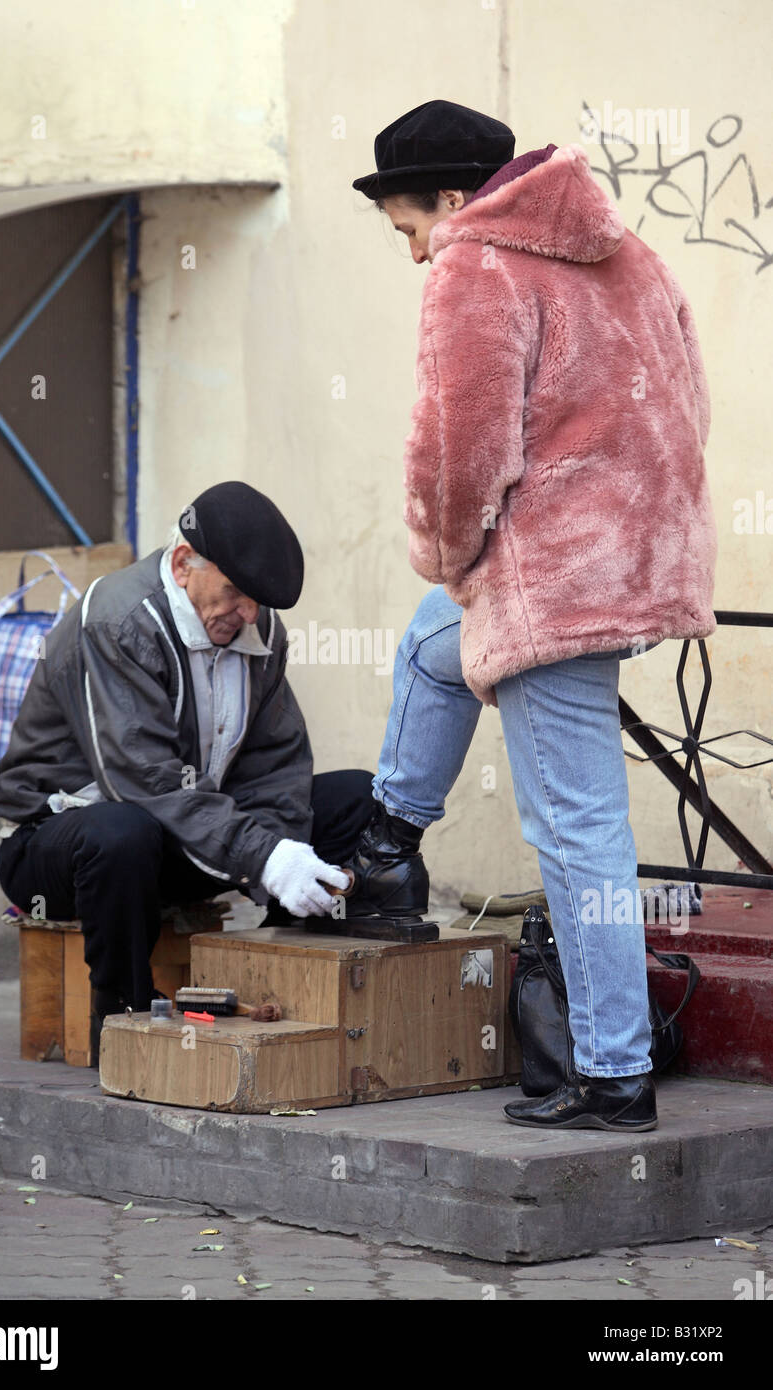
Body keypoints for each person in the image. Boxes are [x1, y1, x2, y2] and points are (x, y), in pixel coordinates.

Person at [346, 100, 718, 1131]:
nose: (417, 254)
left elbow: (456, 458)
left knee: (576, 829)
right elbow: (687, 399)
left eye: (410, 226)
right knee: (433, 644)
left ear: (456, 202)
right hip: (628, 562)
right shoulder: (623, 251)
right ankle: (387, 839)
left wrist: (439, 549)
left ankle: (611, 1073)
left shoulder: (475, 265)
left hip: (549, 584)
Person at [0, 482, 371, 1043]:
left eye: (258, 601)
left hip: (178, 841)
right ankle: (124, 1020)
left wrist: (280, 868)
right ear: (184, 562)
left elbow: (275, 765)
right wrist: (262, 857)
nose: (246, 614)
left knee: (354, 797)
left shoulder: (256, 630)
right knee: (121, 832)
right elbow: (143, 782)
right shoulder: (117, 620)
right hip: (65, 849)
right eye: (236, 592)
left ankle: (287, 985)